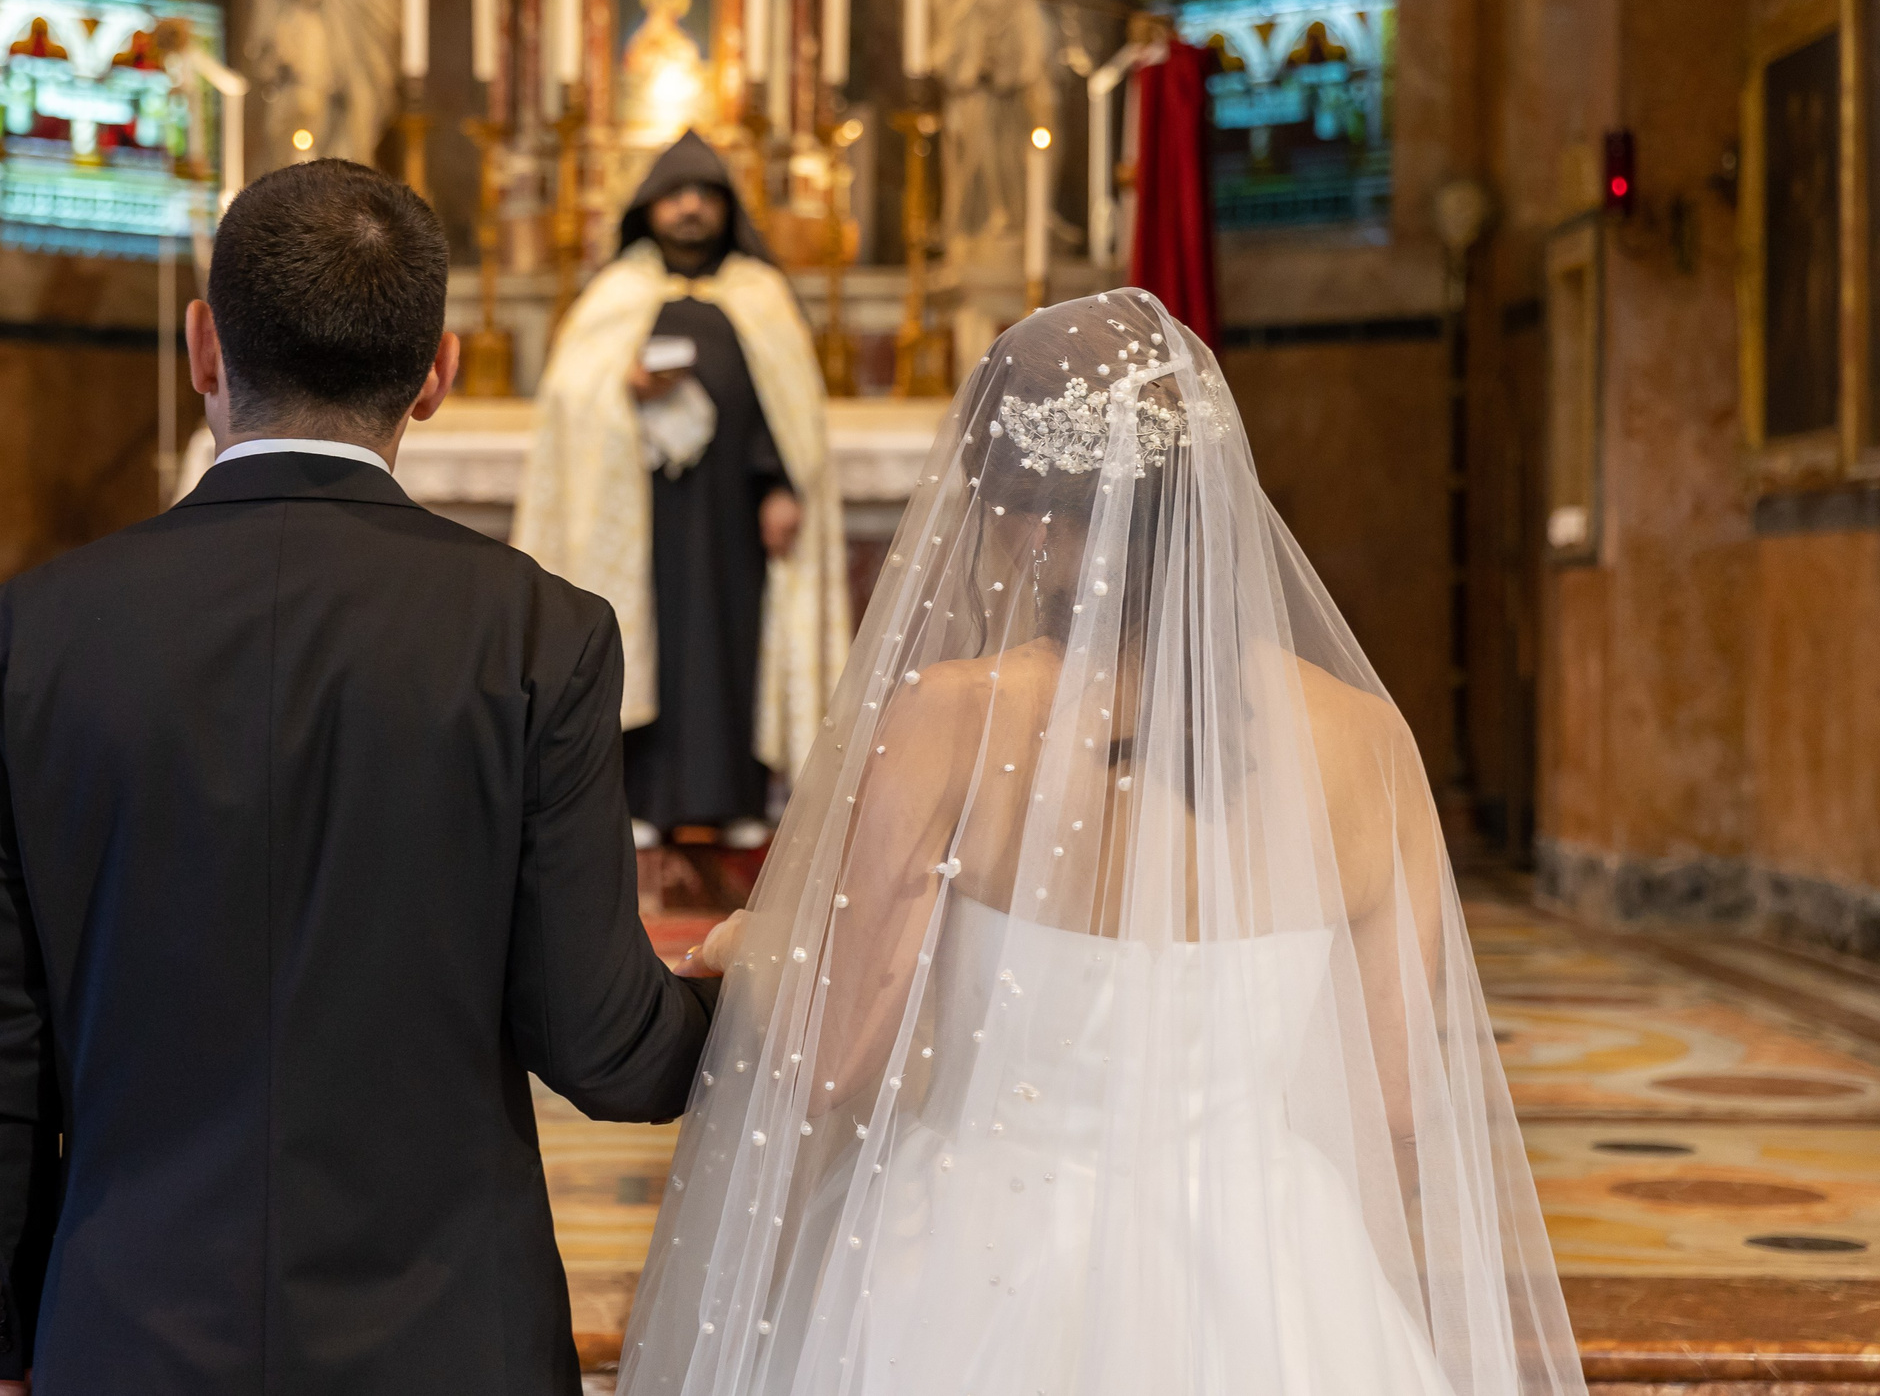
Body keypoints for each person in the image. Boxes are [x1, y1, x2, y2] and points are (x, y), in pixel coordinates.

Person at [622, 290, 1584, 1396]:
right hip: (1268, 1262)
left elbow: (835, 1060)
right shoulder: (1370, 740)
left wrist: (759, 944)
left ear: (1021, 519)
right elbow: (1402, 1098)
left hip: (973, 1267)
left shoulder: (951, 720)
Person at [0, 159, 720, 1395]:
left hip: (127, 1335)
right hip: (455, 1344)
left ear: (203, 349)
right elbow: (606, 1050)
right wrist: (757, 1001)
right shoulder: (540, 635)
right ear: (438, 372)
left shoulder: (27, 636)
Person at [515, 131, 849, 851]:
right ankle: (639, 798)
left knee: (734, 648)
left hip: (737, 518)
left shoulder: (760, 296)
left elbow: (786, 414)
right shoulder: (615, 294)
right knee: (642, 646)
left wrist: (782, 489)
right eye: (676, 194)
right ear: (649, 208)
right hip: (644, 517)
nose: (691, 208)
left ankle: (734, 799)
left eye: (706, 195)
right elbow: (572, 398)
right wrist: (623, 385)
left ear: (728, 209)